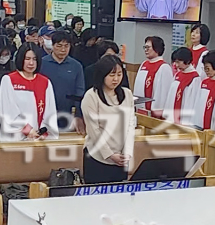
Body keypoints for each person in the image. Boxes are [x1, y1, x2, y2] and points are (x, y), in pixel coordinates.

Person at [81, 55, 135, 184]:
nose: (116, 79)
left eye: (119, 74)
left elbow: (130, 125)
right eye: (111, 75)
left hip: (121, 158)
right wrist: (110, 155)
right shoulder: (91, 96)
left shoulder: (127, 94)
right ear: (102, 75)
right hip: (97, 157)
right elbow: (94, 130)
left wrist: (127, 152)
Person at [0, 43, 59, 142]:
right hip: (15, 139)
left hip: (38, 139)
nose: (31, 63)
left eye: (34, 59)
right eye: (27, 59)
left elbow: (50, 112)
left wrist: (43, 132)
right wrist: (27, 130)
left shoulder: (45, 82)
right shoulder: (9, 80)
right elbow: (8, 112)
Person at [41, 30, 86, 132]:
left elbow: (79, 91)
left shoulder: (76, 66)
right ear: (53, 45)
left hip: (68, 112)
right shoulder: (42, 63)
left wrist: (78, 114)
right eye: (59, 46)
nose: (63, 49)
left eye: (66, 46)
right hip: (45, 112)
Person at [134, 36, 174, 117]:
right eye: (145, 47)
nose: (146, 50)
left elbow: (163, 93)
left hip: (153, 112)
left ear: (157, 48)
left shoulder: (164, 67)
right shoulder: (144, 64)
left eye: (148, 47)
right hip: (140, 109)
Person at [164, 47, 201, 126]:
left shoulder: (195, 78)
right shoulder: (177, 75)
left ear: (187, 61)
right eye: (175, 62)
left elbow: (193, 102)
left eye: (178, 62)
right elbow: (171, 96)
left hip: (184, 120)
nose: (176, 65)